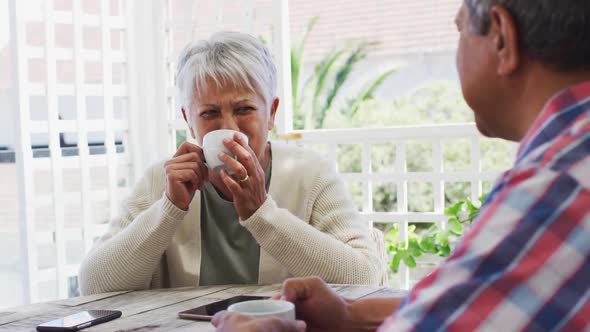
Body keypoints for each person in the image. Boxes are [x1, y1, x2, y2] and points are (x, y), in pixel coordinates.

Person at [212, 0, 590, 331]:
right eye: (209, 113)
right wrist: (350, 315)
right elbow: (475, 303)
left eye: (458, 29)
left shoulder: (561, 184)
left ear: (502, 39)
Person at [78, 32, 384, 295]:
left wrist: (262, 214)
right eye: (209, 113)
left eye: (245, 109)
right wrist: (170, 208)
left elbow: (363, 277)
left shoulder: (309, 174)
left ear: (272, 113)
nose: (230, 129)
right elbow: (94, 283)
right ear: (189, 120)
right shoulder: (164, 180)